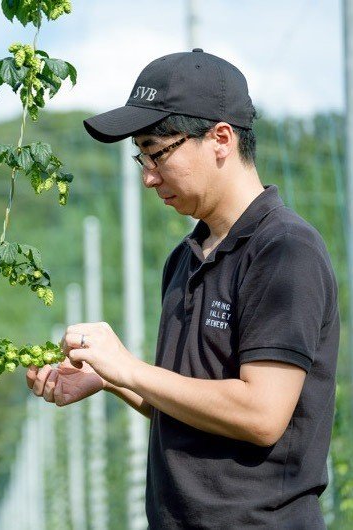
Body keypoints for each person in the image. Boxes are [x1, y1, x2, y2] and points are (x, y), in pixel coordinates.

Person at [26, 49, 339, 529]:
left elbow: (261, 413)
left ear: (220, 139)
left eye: (157, 152)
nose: (149, 177)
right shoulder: (184, 258)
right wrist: (111, 378)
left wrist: (130, 367)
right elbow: (191, 404)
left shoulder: (283, 250)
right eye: (141, 157)